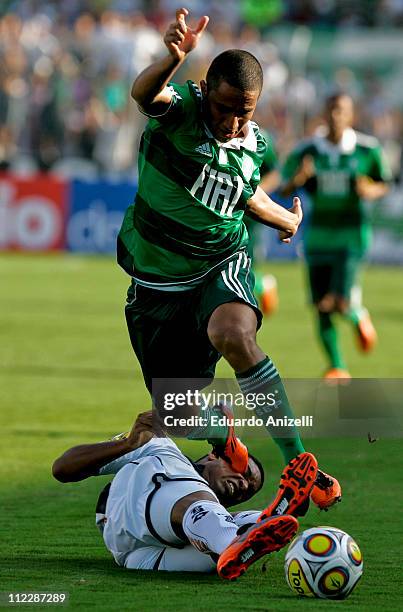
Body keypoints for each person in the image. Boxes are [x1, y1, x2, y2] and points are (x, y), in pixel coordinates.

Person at [117, 7, 340, 508]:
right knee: (177, 414)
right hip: (157, 282)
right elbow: (143, 94)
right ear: (206, 90)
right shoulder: (182, 111)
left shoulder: (254, 142)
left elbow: (245, 193)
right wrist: (171, 59)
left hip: (221, 262)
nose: (233, 121)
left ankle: (300, 465)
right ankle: (224, 434)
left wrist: (283, 218)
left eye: (245, 111)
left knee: (234, 334)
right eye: (225, 108)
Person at [52, 411, 318, 578]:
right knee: (197, 499)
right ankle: (238, 537)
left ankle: (251, 530)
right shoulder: (158, 445)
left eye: (250, 489)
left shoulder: (211, 504)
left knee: (232, 534)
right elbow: (62, 468)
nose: (244, 485)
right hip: (134, 500)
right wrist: (128, 443)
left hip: (138, 556)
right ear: (216, 454)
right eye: (245, 473)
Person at [282, 93, 391, 380]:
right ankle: (337, 367)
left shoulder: (367, 149)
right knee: (321, 307)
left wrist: (370, 190)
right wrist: (298, 180)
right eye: (331, 110)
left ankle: (356, 314)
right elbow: (283, 189)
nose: (335, 116)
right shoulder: (308, 150)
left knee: (339, 301)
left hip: (351, 237)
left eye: (341, 111)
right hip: (318, 237)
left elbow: (385, 183)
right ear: (324, 113)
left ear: (351, 115)